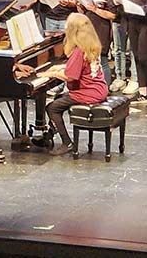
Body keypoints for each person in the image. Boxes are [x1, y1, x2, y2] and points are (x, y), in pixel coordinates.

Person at [42, 13, 109, 155]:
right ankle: (49, 135)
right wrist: (58, 68)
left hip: (87, 93)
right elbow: (80, 68)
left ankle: (67, 143)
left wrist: (50, 74)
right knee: (58, 98)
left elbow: (70, 76)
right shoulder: (90, 45)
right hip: (98, 89)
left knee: (52, 108)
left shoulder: (78, 51)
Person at [78, 0, 116, 85]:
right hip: (88, 27)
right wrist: (79, 4)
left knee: (102, 60)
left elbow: (112, 15)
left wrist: (96, 10)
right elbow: (83, 12)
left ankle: (105, 86)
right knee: (88, 58)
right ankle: (92, 85)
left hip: (101, 28)